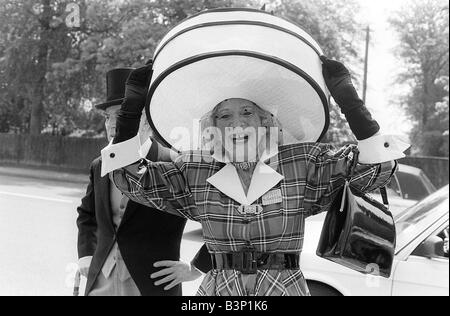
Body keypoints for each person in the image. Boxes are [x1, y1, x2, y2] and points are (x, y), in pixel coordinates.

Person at [100, 58, 409, 296]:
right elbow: (129, 178)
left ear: (265, 120)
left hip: (283, 287)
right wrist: (129, 113)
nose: (237, 124)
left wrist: (350, 103)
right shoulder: (196, 169)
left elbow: (376, 170)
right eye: (225, 116)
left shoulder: (301, 162)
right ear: (214, 127)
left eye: (247, 112)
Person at [76, 68, 211, 296]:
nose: (111, 125)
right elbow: (87, 215)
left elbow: (222, 219)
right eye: (107, 117)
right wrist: (86, 256)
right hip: (101, 282)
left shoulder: (175, 162)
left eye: (120, 115)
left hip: (153, 284)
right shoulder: (100, 164)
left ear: (146, 120)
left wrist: (196, 267)